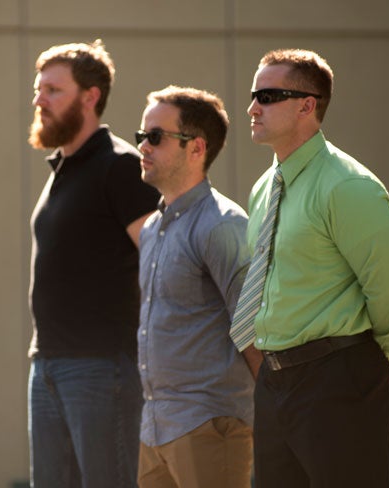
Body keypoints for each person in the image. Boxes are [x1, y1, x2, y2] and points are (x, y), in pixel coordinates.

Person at [231, 49, 389, 487]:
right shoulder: (264, 188)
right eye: (253, 94)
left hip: (338, 377)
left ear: (306, 104)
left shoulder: (348, 185)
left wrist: (381, 354)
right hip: (274, 382)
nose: (252, 107)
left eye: (268, 95)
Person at [27, 40, 159, 488]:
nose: (39, 100)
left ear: (91, 97)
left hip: (102, 368)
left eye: (53, 90)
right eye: (38, 89)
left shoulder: (120, 165)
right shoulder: (63, 171)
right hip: (46, 363)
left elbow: (160, 261)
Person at [135, 86, 260, 488]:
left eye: (155, 137)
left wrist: (276, 414)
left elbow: (254, 329)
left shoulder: (223, 224)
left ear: (196, 148)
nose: (143, 147)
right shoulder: (153, 227)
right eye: (142, 136)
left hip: (210, 423)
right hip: (155, 429)